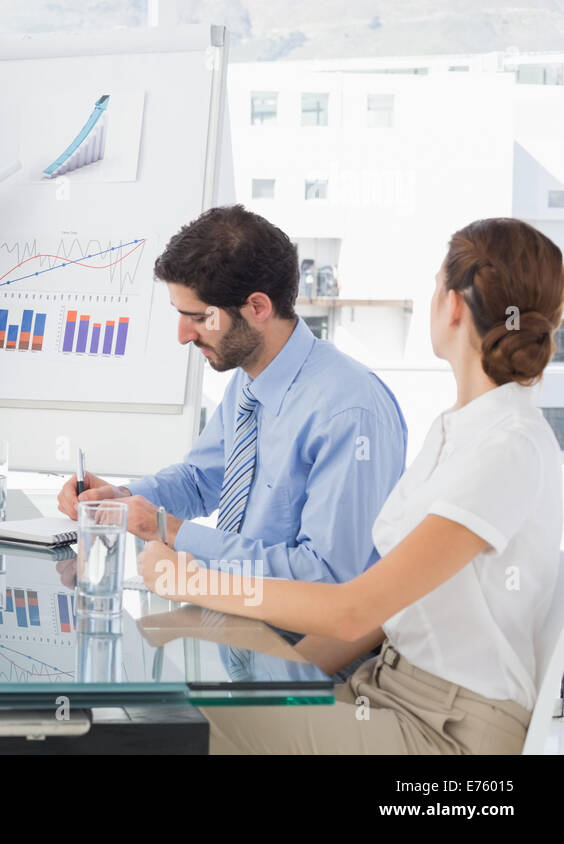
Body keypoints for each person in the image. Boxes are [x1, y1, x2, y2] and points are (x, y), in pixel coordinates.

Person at [140, 217, 564, 754]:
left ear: (452, 305)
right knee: (190, 696)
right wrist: (282, 679)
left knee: (186, 716)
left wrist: (191, 582)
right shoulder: (458, 430)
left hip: (450, 733)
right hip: (384, 690)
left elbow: (353, 608)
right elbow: (386, 608)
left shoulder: (509, 447)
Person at [59, 205, 408, 586]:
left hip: (297, 642)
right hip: (236, 619)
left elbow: (326, 575)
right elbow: (200, 480)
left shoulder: (348, 412)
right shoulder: (249, 380)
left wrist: (169, 531)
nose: (183, 335)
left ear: (257, 307)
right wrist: (121, 498)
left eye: (197, 317)